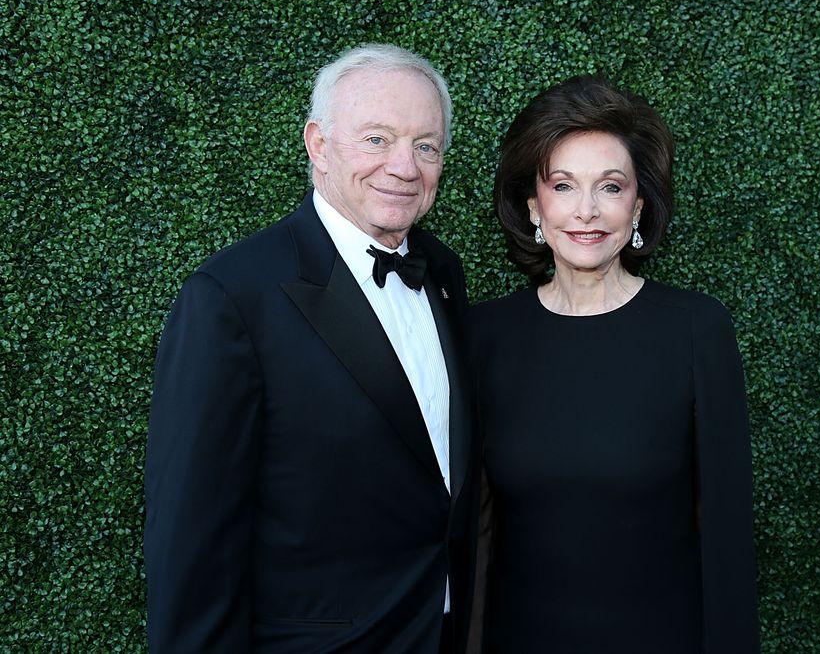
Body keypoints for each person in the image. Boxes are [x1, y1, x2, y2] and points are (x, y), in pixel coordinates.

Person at [145, 43, 477, 653]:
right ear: (318, 144)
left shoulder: (443, 274)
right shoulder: (231, 297)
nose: (405, 166)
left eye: (426, 145)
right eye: (377, 139)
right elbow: (191, 542)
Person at [470, 76, 759, 652]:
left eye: (610, 186)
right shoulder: (484, 335)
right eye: (563, 185)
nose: (586, 211)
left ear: (639, 206)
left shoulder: (696, 329)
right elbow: (474, 530)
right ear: (534, 205)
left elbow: (727, 536)